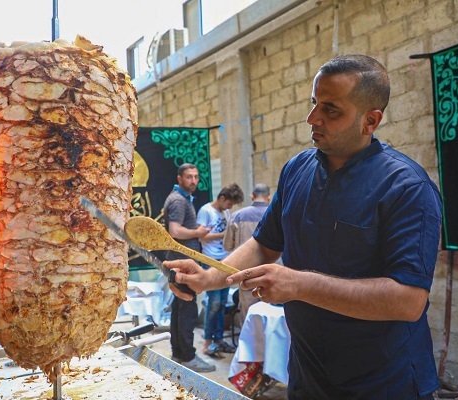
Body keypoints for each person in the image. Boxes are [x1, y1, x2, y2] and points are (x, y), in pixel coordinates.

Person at [165, 54, 443, 399]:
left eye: (331, 110)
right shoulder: (299, 169)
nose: (313, 119)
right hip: (308, 375)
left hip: (384, 381)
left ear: (370, 121)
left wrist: (300, 284)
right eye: (314, 104)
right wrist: (209, 277)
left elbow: (408, 301)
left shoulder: (406, 187)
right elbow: (265, 244)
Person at [163, 163, 214, 373]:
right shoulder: (178, 200)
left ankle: (179, 353)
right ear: (179, 179)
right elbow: (175, 231)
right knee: (188, 310)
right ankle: (188, 357)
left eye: (196, 177)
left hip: (181, 262)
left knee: (180, 309)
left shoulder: (181, 199)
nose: (193, 181)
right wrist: (198, 233)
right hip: (183, 265)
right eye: (189, 177)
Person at [197, 183, 244, 356]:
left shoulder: (226, 212)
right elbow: (202, 236)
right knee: (214, 302)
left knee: (223, 302)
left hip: (225, 259)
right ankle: (208, 342)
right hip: (210, 260)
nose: (230, 208)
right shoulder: (206, 211)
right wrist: (224, 235)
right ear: (222, 198)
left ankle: (218, 339)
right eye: (230, 204)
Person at [222, 183, 273, 324]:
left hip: (246, 275)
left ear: (252, 196)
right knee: (274, 317)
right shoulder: (278, 215)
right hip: (273, 275)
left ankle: (250, 345)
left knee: (249, 317)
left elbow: (227, 246)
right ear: (269, 197)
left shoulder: (237, 216)